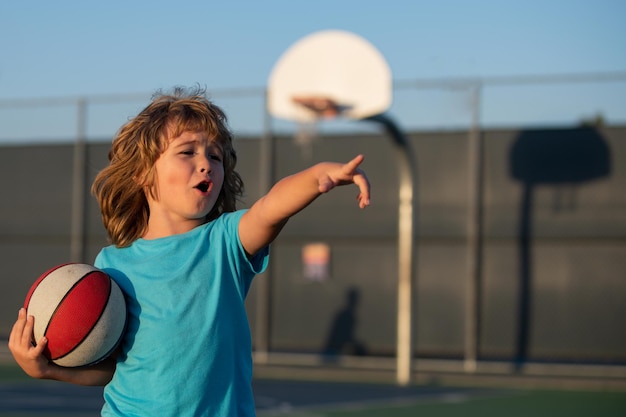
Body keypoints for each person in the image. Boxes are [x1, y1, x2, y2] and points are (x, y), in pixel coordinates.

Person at [8, 86, 370, 416]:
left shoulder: (226, 242)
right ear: (142, 173)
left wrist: (319, 176)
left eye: (215, 156)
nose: (206, 163)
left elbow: (271, 206)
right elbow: (112, 366)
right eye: (187, 152)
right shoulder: (112, 267)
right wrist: (49, 369)